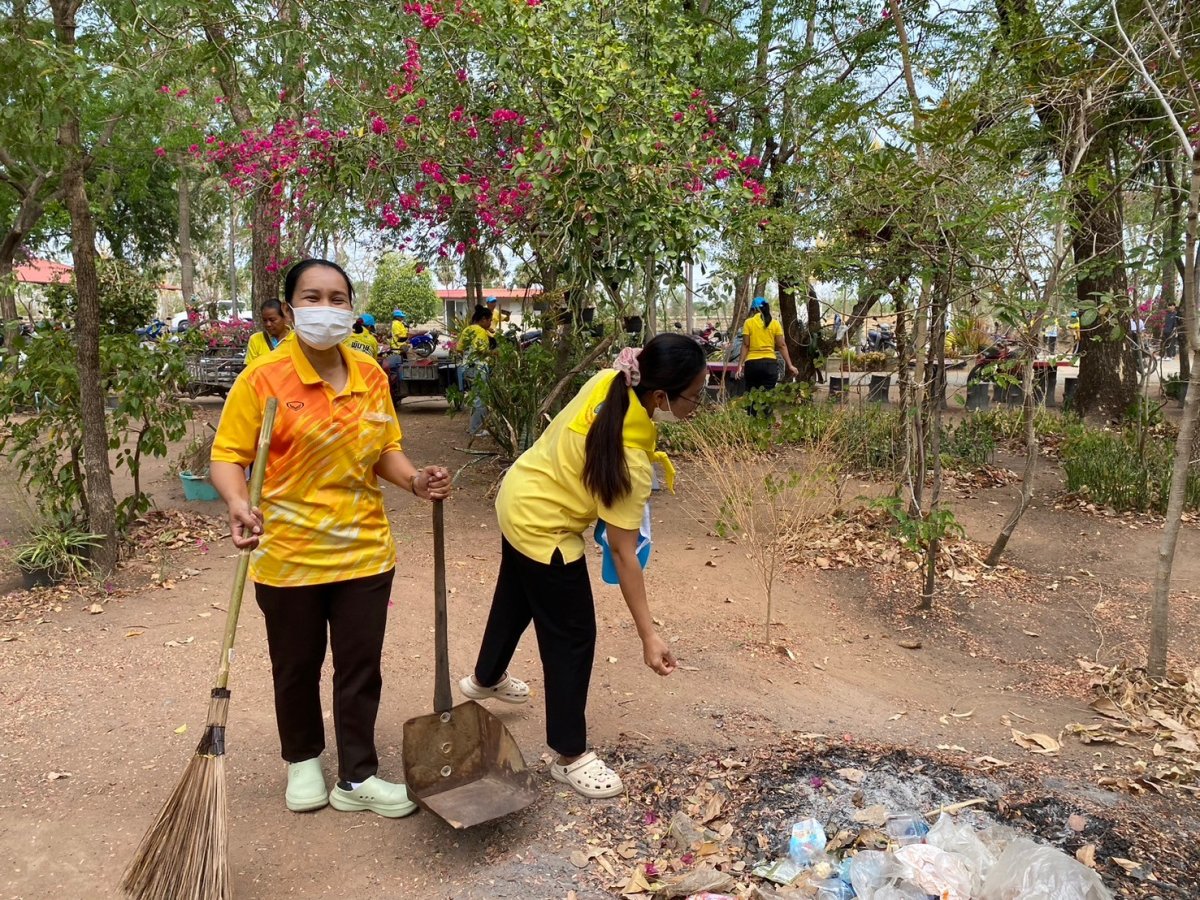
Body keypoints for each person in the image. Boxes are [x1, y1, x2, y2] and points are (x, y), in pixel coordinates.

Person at [210, 258, 452, 819]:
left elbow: (384, 449)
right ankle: (303, 761)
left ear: (351, 306)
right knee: (295, 666)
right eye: (313, 298)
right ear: (291, 309)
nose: (327, 309)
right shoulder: (262, 379)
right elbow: (228, 456)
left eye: (338, 298)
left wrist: (414, 480)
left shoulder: (370, 375)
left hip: (364, 550)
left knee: (360, 666)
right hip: (289, 554)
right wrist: (238, 501)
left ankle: (358, 775)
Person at [459, 334, 707, 800]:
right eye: (695, 395)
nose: (699, 403)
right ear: (659, 397)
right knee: (572, 637)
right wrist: (649, 634)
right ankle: (569, 756)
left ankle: (485, 679)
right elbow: (621, 552)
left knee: (516, 596)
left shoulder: (607, 381)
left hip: (518, 495)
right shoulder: (631, 462)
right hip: (545, 528)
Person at [735, 297, 798, 399]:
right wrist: (790, 365)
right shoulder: (775, 323)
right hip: (770, 365)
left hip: (752, 365)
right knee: (767, 397)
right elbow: (782, 345)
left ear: (753, 310)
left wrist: (740, 366)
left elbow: (746, 345)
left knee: (752, 397)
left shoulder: (748, 323)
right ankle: (766, 414)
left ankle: (753, 414)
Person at [458, 306, 495, 436]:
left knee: (475, 398)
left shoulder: (467, 329)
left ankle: (475, 427)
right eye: (489, 320)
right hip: (479, 367)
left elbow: (459, 348)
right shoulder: (480, 331)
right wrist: (495, 353)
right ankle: (476, 429)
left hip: (468, 367)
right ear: (484, 319)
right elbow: (480, 349)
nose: (490, 323)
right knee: (481, 399)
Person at [244, 299, 293, 365]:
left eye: (272, 320)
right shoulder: (255, 340)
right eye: (265, 320)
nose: (268, 324)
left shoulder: (297, 338)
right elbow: (249, 369)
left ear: (284, 318)